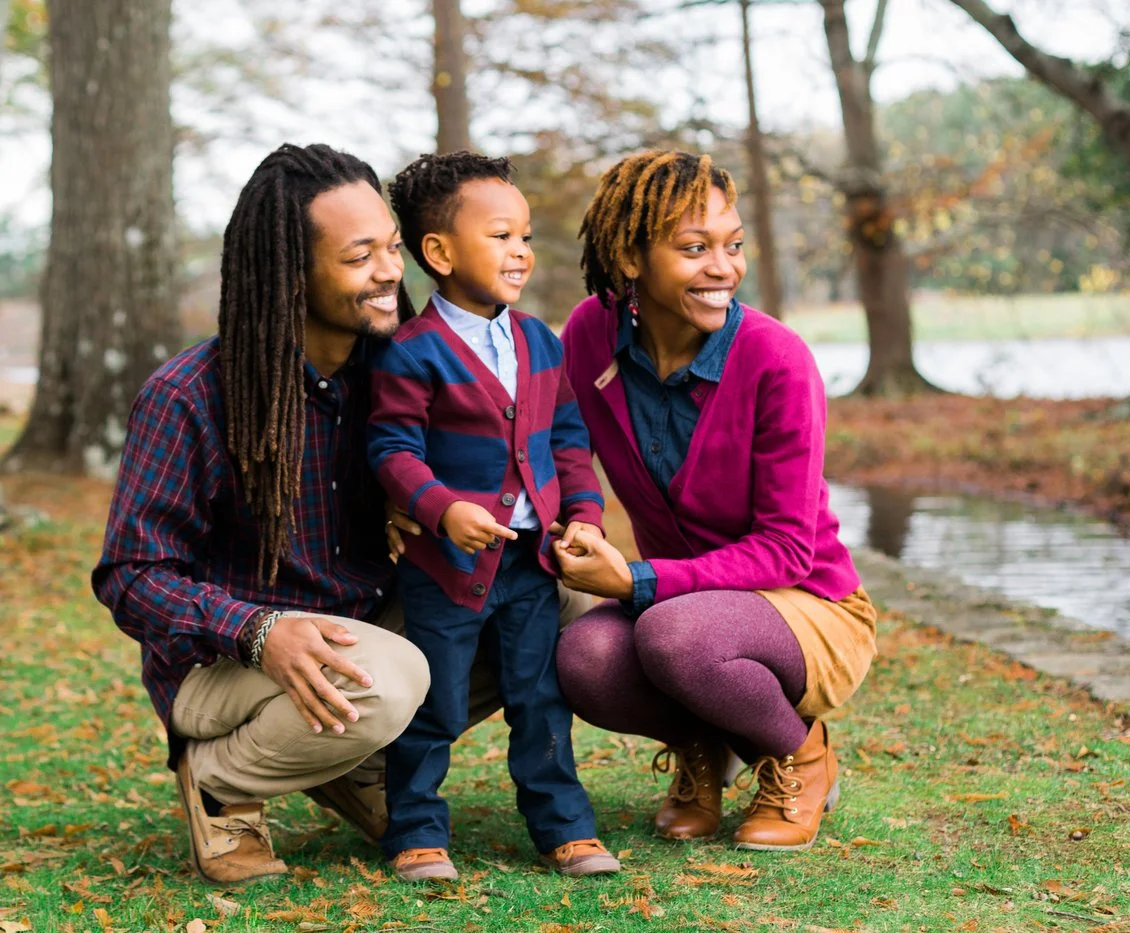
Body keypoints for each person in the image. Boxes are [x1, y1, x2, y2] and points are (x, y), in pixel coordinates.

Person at [92, 143, 589, 886]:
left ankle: (350, 757)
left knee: (562, 599)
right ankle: (224, 779)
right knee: (387, 680)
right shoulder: (190, 395)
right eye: (362, 257)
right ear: (292, 273)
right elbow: (130, 576)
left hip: (360, 622)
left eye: (392, 247)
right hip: (228, 662)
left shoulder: (391, 372)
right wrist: (257, 630)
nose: (392, 271)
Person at [551, 150, 879, 852]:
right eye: (694, 249)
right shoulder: (589, 333)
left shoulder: (775, 359)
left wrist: (638, 579)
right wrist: (579, 519)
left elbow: (788, 548)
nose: (723, 268)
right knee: (583, 656)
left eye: (732, 246)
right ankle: (702, 744)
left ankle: (802, 755)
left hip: (807, 605)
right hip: (682, 606)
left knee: (674, 634)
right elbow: (562, 439)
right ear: (631, 256)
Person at [371, 151, 618, 880]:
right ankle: (415, 828)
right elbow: (391, 447)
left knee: (542, 698)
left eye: (526, 236)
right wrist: (442, 509)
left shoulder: (540, 342)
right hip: (443, 570)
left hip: (532, 565)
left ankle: (564, 825)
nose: (520, 251)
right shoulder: (411, 353)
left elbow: (568, 440)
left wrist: (586, 515)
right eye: (501, 236)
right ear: (440, 253)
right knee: (435, 702)